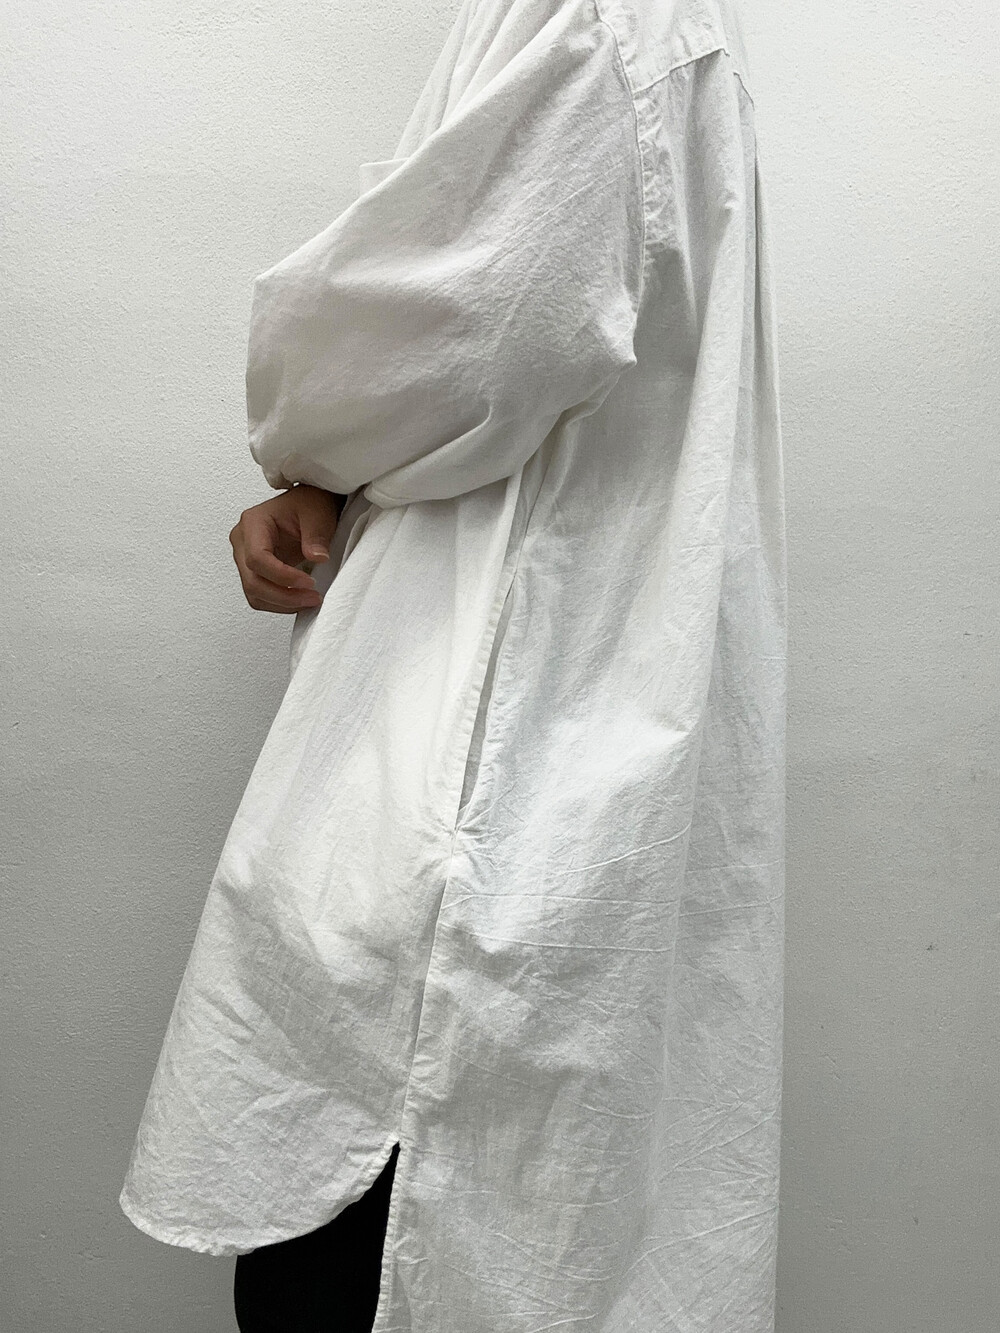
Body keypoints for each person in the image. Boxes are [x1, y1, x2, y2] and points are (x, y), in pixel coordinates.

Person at [120, 0, 787, 1329]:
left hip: (491, 764)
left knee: (395, 1227)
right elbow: (474, 352)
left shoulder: (602, 22)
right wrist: (330, 472)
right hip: (522, 729)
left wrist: (315, 440)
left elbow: (457, 333)